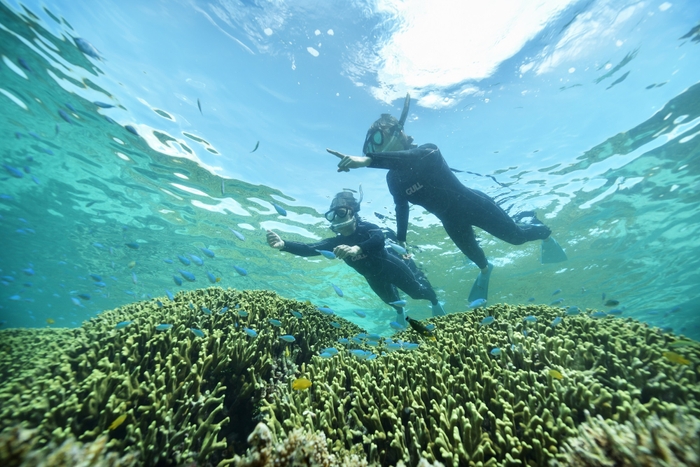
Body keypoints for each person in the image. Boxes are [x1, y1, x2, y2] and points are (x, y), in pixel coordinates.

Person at [327, 93, 567, 303]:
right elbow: (401, 207)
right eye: (371, 145)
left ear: (400, 132)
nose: (376, 147)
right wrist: (401, 240)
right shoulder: (393, 179)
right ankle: (486, 271)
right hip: (451, 222)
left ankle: (542, 232)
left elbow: (409, 158)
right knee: (480, 262)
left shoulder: (428, 151)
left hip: (474, 205)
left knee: (516, 238)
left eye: (379, 138)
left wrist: (368, 161)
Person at [266, 190, 447, 324]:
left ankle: (435, 302)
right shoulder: (334, 242)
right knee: (391, 301)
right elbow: (309, 248)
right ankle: (400, 314)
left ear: (352, 212)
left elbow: (379, 239)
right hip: (372, 277)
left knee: (416, 293)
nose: (337, 218)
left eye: (341, 212)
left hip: (393, 267)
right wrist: (284, 245)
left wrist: (356, 249)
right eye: (332, 215)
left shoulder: (367, 228)